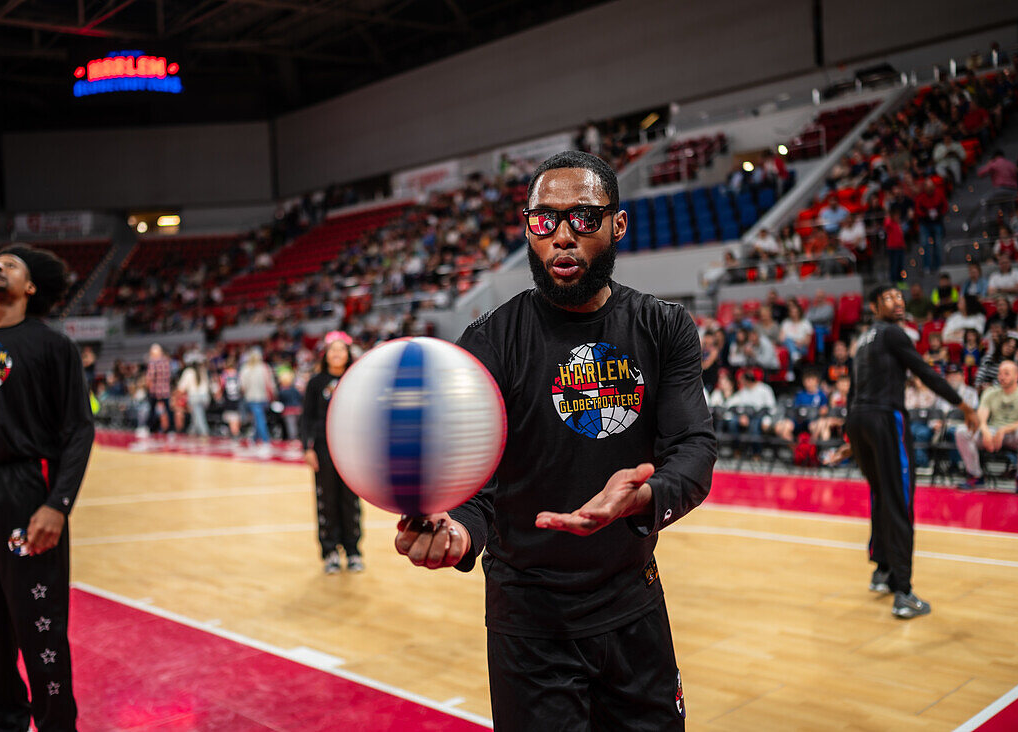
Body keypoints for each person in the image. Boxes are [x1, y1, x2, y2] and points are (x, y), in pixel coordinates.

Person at [394, 151, 716, 729]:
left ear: (617, 225)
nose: (562, 237)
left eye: (583, 218)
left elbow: (694, 450)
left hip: (632, 608)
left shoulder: (663, 327)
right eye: (545, 221)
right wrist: (458, 531)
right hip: (530, 624)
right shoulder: (489, 343)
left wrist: (644, 498)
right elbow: (477, 481)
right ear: (528, 228)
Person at [0, 245, 94, 730]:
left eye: (11, 265)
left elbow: (78, 430)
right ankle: (5, 723)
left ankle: (56, 725)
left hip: (27, 493)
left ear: (30, 288)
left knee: (39, 627)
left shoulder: (52, 347)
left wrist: (58, 505)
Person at [827, 284, 978, 619]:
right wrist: (963, 405)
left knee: (881, 494)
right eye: (888, 298)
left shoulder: (862, 341)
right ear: (874, 305)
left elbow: (853, 392)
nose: (897, 302)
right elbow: (924, 371)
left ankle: (881, 570)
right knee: (899, 501)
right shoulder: (894, 333)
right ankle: (903, 592)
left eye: (899, 297)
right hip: (884, 418)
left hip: (859, 420)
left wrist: (852, 439)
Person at [300, 332, 364, 574]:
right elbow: (307, 417)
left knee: (351, 501)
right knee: (326, 501)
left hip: (351, 451)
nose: (337, 353)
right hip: (323, 448)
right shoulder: (316, 382)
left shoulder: (356, 379)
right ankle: (329, 553)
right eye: (332, 350)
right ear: (325, 355)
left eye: (342, 349)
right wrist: (307, 447)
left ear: (348, 354)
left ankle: (353, 551)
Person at [956, 361, 1018, 495]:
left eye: (1006, 373)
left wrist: (1003, 430)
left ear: (1016, 376)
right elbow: (980, 419)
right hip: (992, 431)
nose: (1001, 376)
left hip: (1014, 433)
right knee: (962, 431)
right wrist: (986, 432)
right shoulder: (990, 392)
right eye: (1000, 373)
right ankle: (975, 475)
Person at [239, 347, 275, 446]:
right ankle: (255, 439)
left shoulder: (246, 369)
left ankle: (265, 439)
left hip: (251, 397)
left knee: (259, 418)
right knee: (259, 418)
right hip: (263, 397)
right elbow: (270, 384)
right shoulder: (264, 367)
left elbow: (242, 386)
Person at [176, 353, 211, 438]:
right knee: (196, 417)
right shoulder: (203, 370)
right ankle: (191, 434)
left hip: (195, 397)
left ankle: (205, 434)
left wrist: (177, 397)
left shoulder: (188, 372)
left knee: (199, 418)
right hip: (205, 397)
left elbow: (181, 388)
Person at [146, 343, 172, 434]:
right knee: (168, 411)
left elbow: (150, 378)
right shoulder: (166, 361)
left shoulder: (153, 362)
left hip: (155, 391)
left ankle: (152, 429)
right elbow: (169, 376)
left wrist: (148, 388)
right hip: (165, 390)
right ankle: (170, 429)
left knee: (152, 410)